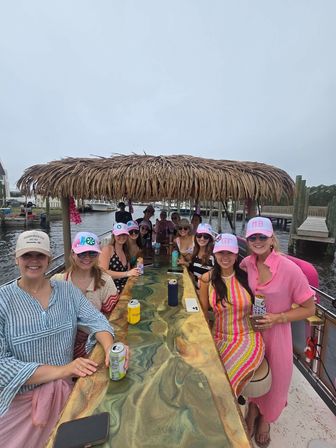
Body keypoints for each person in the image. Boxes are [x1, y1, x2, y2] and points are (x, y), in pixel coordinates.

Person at [0, 230, 115, 448]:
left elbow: (97, 321)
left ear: (49, 259)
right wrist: (64, 370)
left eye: (40, 256)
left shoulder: (66, 290)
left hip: (64, 396)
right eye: (27, 256)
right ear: (16, 259)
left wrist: (109, 347)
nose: (34, 261)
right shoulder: (3, 300)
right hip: (19, 400)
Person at [240, 217, 315, 447]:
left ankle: (266, 419)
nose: (258, 241)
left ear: (272, 238)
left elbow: (309, 307)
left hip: (278, 333)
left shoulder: (289, 269)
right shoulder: (247, 263)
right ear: (247, 240)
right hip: (255, 330)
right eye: (253, 237)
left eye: (263, 236)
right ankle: (253, 409)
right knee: (255, 375)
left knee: (278, 381)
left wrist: (278, 318)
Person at [199, 233, 265, 401]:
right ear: (215, 254)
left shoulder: (248, 277)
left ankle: (228, 414)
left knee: (226, 379)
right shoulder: (207, 280)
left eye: (230, 253)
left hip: (247, 337)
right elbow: (204, 314)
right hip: (219, 336)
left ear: (236, 255)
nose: (225, 257)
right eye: (221, 253)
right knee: (205, 376)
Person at [52, 231, 119, 358]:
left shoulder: (105, 281)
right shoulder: (57, 281)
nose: (87, 257)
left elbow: (112, 316)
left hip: (94, 344)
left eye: (92, 253)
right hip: (61, 346)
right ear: (73, 254)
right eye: (82, 253)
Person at [99, 223, 140, 294]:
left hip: (125, 288)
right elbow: (103, 273)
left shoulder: (126, 250)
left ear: (127, 235)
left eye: (124, 234)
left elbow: (129, 272)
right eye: (119, 234)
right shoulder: (107, 249)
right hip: (111, 291)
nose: (121, 237)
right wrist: (127, 273)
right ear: (113, 235)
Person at [188, 223, 215, 289]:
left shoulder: (213, 256)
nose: (202, 238)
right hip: (194, 289)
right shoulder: (195, 253)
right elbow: (192, 273)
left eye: (206, 236)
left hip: (206, 293)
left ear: (210, 239)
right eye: (199, 235)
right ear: (196, 237)